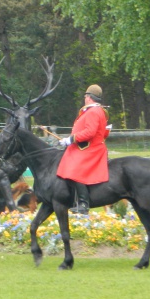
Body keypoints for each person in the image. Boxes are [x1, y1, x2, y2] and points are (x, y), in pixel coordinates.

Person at [56, 84, 111, 215]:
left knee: (73, 169)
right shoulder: (94, 110)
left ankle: (83, 203)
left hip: (91, 148)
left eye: (85, 96)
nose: (85, 98)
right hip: (85, 146)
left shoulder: (94, 111)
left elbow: (90, 132)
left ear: (89, 97)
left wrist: (70, 139)